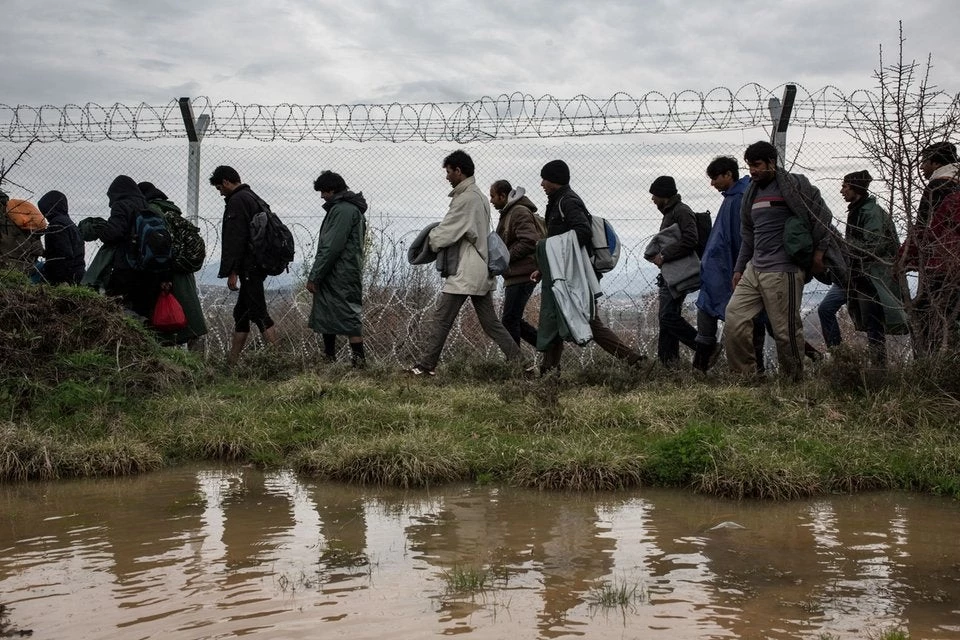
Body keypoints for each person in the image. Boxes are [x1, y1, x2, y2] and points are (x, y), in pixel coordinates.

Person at [724, 141, 844, 380]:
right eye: (749, 166)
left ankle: (793, 382)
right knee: (734, 320)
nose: (753, 171)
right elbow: (748, 234)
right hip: (754, 268)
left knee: (785, 333)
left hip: (783, 270)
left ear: (771, 162)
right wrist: (739, 268)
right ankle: (745, 379)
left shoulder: (795, 185)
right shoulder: (752, 192)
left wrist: (819, 254)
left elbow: (822, 218)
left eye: (757, 165)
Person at [407, 150, 526, 376]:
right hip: (479, 268)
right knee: (491, 323)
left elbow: (448, 231)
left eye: (449, 172)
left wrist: (426, 243)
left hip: (466, 269)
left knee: (442, 318)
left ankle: (425, 367)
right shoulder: (478, 196)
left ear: (459, 171)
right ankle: (522, 364)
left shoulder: (466, 198)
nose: (447, 177)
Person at [533, 159, 646, 374]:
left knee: (588, 321)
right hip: (564, 273)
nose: (542, 184)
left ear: (554, 180)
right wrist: (545, 266)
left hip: (576, 275)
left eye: (545, 179)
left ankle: (633, 360)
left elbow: (582, 232)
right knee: (557, 318)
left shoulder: (568, 201)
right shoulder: (559, 201)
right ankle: (549, 371)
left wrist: (548, 246)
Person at [693, 157, 766, 372]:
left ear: (728, 175)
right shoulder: (734, 197)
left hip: (730, 271)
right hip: (722, 271)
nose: (713, 183)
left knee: (749, 321)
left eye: (715, 178)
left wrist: (738, 268)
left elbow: (740, 238)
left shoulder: (740, 198)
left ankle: (705, 365)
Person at [828, 170, 905, 365]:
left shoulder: (869, 213)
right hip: (860, 275)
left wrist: (845, 245)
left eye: (845, 186)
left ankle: (878, 366)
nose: (841, 190)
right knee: (829, 310)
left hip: (873, 276)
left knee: (874, 323)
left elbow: (874, 246)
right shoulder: (859, 210)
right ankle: (841, 360)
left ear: (856, 188)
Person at [209, 165, 278, 366]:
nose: (220, 193)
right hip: (258, 263)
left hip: (250, 266)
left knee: (258, 312)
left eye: (220, 188)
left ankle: (277, 360)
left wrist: (233, 272)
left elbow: (236, 239)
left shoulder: (238, 201)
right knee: (241, 313)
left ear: (226, 182)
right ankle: (232, 362)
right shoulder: (252, 197)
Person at [901, 141, 960, 357]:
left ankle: (931, 367)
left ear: (935, 163)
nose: (922, 168)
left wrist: (905, 258)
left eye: (924, 162)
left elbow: (924, 228)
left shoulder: (937, 187)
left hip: (940, 264)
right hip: (954, 263)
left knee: (924, 317)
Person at [307, 170, 369, 367]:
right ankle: (332, 358)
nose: (322, 196)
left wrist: (315, 275)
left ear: (332, 189)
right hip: (344, 270)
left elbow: (331, 246)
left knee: (348, 316)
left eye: (323, 191)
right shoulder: (350, 209)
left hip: (338, 272)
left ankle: (357, 362)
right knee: (331, 313)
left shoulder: (342, 210)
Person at [138, 181, 208, 348]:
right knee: (190, 321)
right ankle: (198, 367)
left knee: (163, 320)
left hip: (166, 271)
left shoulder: (153, 212)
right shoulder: (171, 211)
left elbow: (159, 245)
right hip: (183, 269)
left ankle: (168, 368)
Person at [647, 175, 699, 366]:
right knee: (666, 319)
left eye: (654, 195)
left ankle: (704, 347)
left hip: (678, 274)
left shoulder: (681, 211)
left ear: (664, 195)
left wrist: (664, 255)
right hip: (670, 274)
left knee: (668, 316)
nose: (652, 199)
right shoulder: (671, 212)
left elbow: (690, 239)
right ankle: (669, 365)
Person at [95, 175, 160, 319]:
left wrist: (100, 230)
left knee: (117, 309)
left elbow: (113, 233)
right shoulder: (149, 207)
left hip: (127, 266)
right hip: (149, 268)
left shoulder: (122, 205)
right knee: (142, 312)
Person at [490, 179, 541, 348]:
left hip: (523, 274)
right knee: (513, 319)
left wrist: (505, 258)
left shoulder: (518, 212)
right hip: (516, 274)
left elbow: (529, 241)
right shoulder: (509, 212)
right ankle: (547, 346)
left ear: (502, 196)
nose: (491, 200)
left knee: (510, 320)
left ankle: (517, 363)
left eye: (493, 196)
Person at [36, 190, 84, 285]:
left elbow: (61, 254)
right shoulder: (69, 223)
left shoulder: (56, 225)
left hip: (64, 277)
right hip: (78, 273)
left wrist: (58, 280)